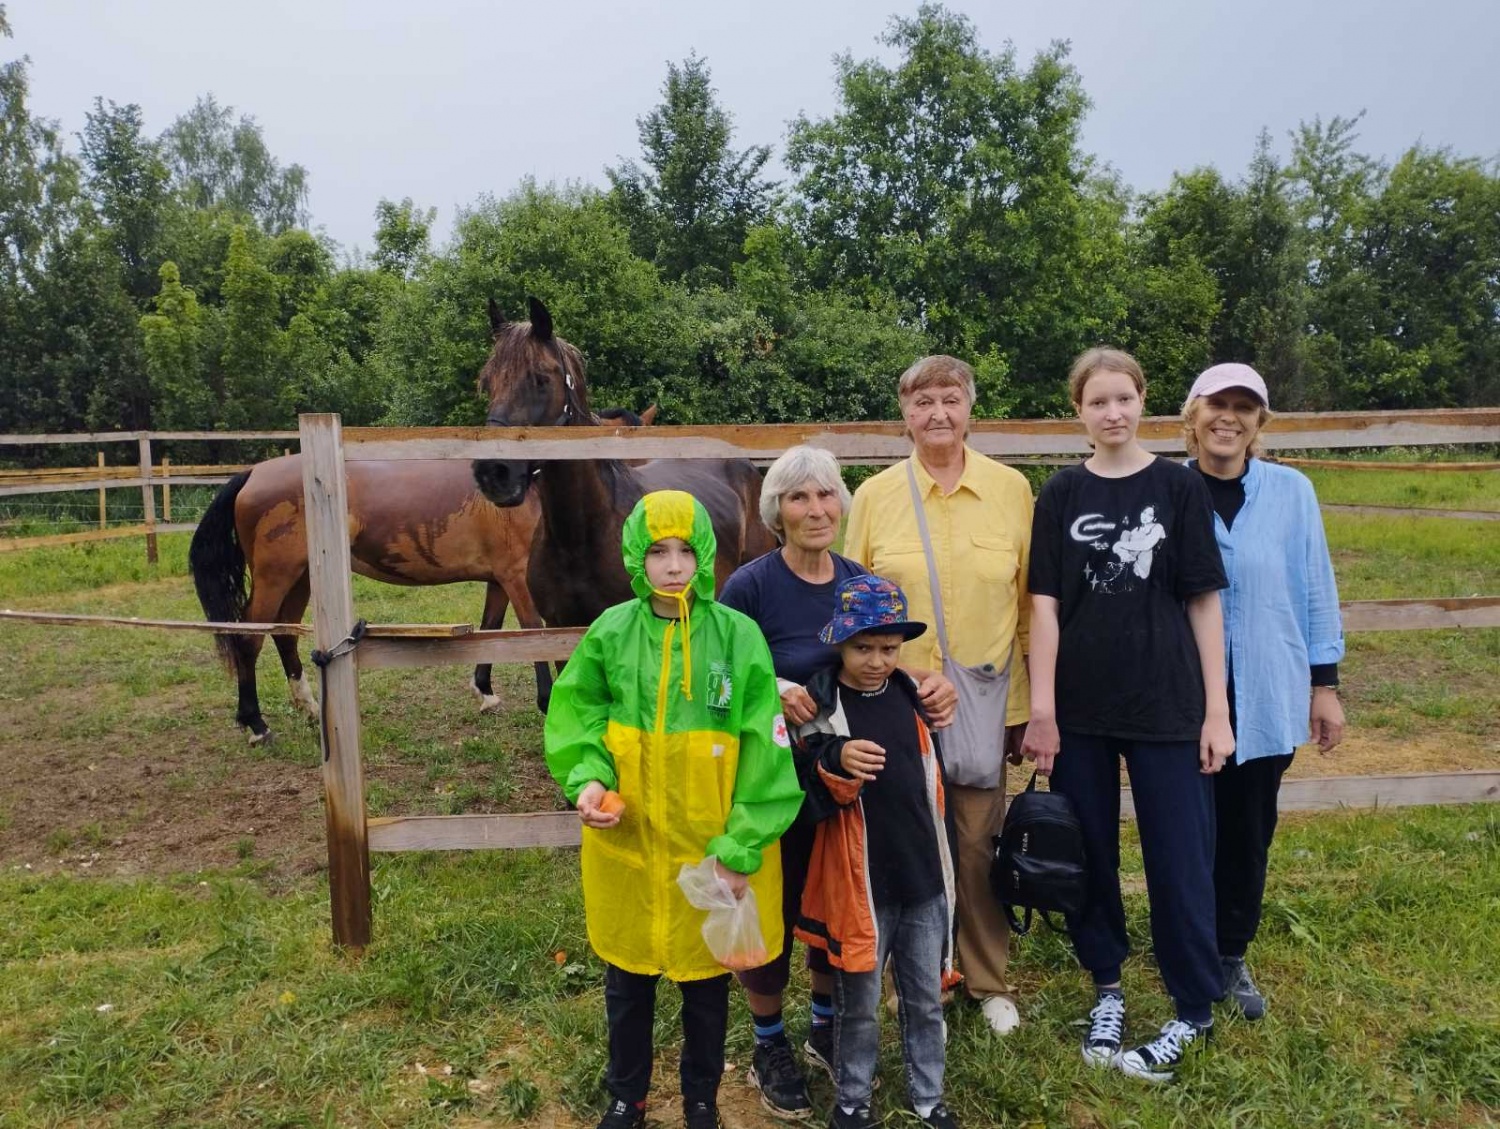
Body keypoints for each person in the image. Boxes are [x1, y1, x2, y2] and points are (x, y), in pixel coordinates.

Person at [543, 490, 804, 1129]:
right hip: (630, 849)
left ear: (704, 554)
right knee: (626, 986)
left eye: (686, 550)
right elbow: (579, 713)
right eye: (658, 551)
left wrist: (740, 846)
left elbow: (765, 753)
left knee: (706, 989)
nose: (673, 565)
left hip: (709, 852)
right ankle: (625, 1098)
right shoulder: (611, 632)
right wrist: (589, 780)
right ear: (637, 556)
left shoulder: (737, 637)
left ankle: (701, 1101)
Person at [718, 445, 956, 1119]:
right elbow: (718, 679)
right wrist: (773, 689)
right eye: (799, 497)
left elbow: (884, 662)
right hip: (773, 778)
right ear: (777, 511)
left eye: (826, 495)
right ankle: (769, 1040)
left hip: (849, 790)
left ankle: (825, 1024)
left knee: (838, 903)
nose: (816, 509)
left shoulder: (858, 580)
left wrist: (930, 684)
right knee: (775, 907)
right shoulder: (751, 588)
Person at [1022, 347, 1234, 1083]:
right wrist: (1042, 710)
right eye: (1097, 402)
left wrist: (1216, 711)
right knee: (1090, 855)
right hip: (1080, 708)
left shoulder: (1179, 488)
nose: (1112, 413)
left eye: (1123, 398)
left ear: (1144, 400)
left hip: (1168, 702)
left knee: (1180, 858)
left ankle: (1192, 1009)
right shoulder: (1061, 493)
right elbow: (1044, 607)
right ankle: (1106, 988)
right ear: (1077, 412)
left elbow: (1204, 601)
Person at [844, 356, 1033, 1036]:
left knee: (977, 842)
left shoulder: (1011, 490)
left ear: (970, 408)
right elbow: (854, 607)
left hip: (983, 701)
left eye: (950, 399)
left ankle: (987, 978)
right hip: (893, 704)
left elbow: (1027, 607)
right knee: (911, 843)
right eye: (923, 402)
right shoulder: (874, 497)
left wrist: (1027, 709)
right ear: (905, 414)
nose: (938, 414)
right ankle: (922, 979)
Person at [1183, 362, 1346, 1019]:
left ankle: (1229, 951)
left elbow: (1315, 583)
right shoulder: (1167, 488)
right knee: (1186, 827)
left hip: (1266, 687)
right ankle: (1186, 945)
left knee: (1248, 828)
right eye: (1216, 403)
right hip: (1184, 694)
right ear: (1192, 415)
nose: (1229, 417)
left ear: (1259, 423)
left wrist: (1324, 684)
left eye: (1244, 407)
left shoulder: (1292, 492)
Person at [794, 575, 960, 1129]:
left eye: (889, 648)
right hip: (860, 884)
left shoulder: (913, 695)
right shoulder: (822, 704)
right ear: (841, 643)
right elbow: (804, 786)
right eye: (863, 647)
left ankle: (929, 1096)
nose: (876, 661)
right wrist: (835, 759)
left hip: (922, 876)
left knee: (925, 998)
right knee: (858, 1004)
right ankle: (852, 1100)